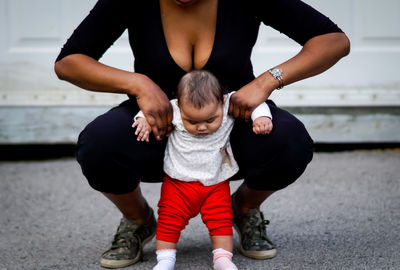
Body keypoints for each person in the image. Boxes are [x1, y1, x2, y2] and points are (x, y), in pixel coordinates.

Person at [54, 0, 350, 268]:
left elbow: (333, 41)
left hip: (231, 123)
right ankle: (138, 220)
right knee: (98, 144)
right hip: (156, 124)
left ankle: (244, 209)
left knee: (291, 141)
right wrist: (138, 84)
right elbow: (69, 63)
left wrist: (266, 82)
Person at [133, 70, 273, 270]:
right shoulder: (172, 109)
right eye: (192, 121)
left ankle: (222, 259)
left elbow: (256, 103)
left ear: (222, 103)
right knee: (168, 221)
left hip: (216, 183)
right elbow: (152, 109)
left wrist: (261, 118)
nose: (202, 127)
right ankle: (165, 260)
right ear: (179, 105)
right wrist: (143, 120)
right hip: (178, 183)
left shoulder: (228, 105)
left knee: (221, 221)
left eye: (210, 120)